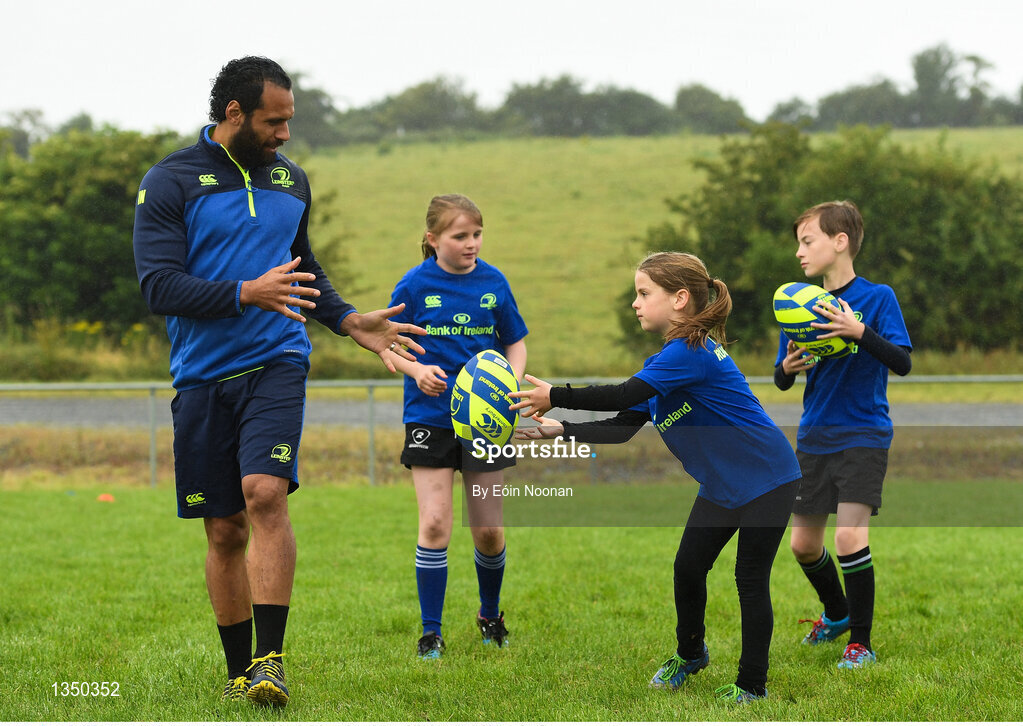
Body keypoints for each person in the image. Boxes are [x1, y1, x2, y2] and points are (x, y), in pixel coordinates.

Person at [131, 56, 426, 707]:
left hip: (277, 361)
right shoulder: (170, 181)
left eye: (289, 120)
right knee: (224, 530)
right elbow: (157, 286)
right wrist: (244, 291)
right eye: (274, 120)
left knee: (264, 493)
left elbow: (303, 270)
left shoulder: (291, 181)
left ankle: (270, 664)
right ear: (233, 113)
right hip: (202, 375)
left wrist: (349, 320)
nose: (285, 133)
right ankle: (239, 673)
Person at [511, 252, 801, 704]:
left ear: (680, 299)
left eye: (645, 293)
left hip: (769, 477)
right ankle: (691, 655)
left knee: (749, 579)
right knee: (687, 568)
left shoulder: (690, 352)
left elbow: (624, 394)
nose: (635, 303)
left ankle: (751, 686)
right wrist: (562, 428)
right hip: (724, 487)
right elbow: (625, 424)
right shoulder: (668, 361)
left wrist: (556, 395)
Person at [383, 194, 528, 659]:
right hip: (429, 418)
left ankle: (490, 614)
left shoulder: (494, 282)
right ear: (433, 239)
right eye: (460, 236)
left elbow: (516, 343)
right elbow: (387, 346)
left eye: (477, 235)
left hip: (486, 421)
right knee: (435, 522)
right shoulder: (412, 285)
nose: (471, 244)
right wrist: (415, 371)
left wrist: (511, 382)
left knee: (487, 529)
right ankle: (431, 632)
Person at [774, 200, 912, 669]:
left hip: (863, 434)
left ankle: (861, 643)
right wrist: (786, 368)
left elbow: (903, 362)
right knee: (803, 545)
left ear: (840, 242)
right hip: (814, 435)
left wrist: (858, 331)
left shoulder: (878, 298)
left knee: (849, 538)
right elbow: (782, 377)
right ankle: (836, 615)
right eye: (798, 243)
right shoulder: (798, 304)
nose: (799, 252)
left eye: (807, 241)